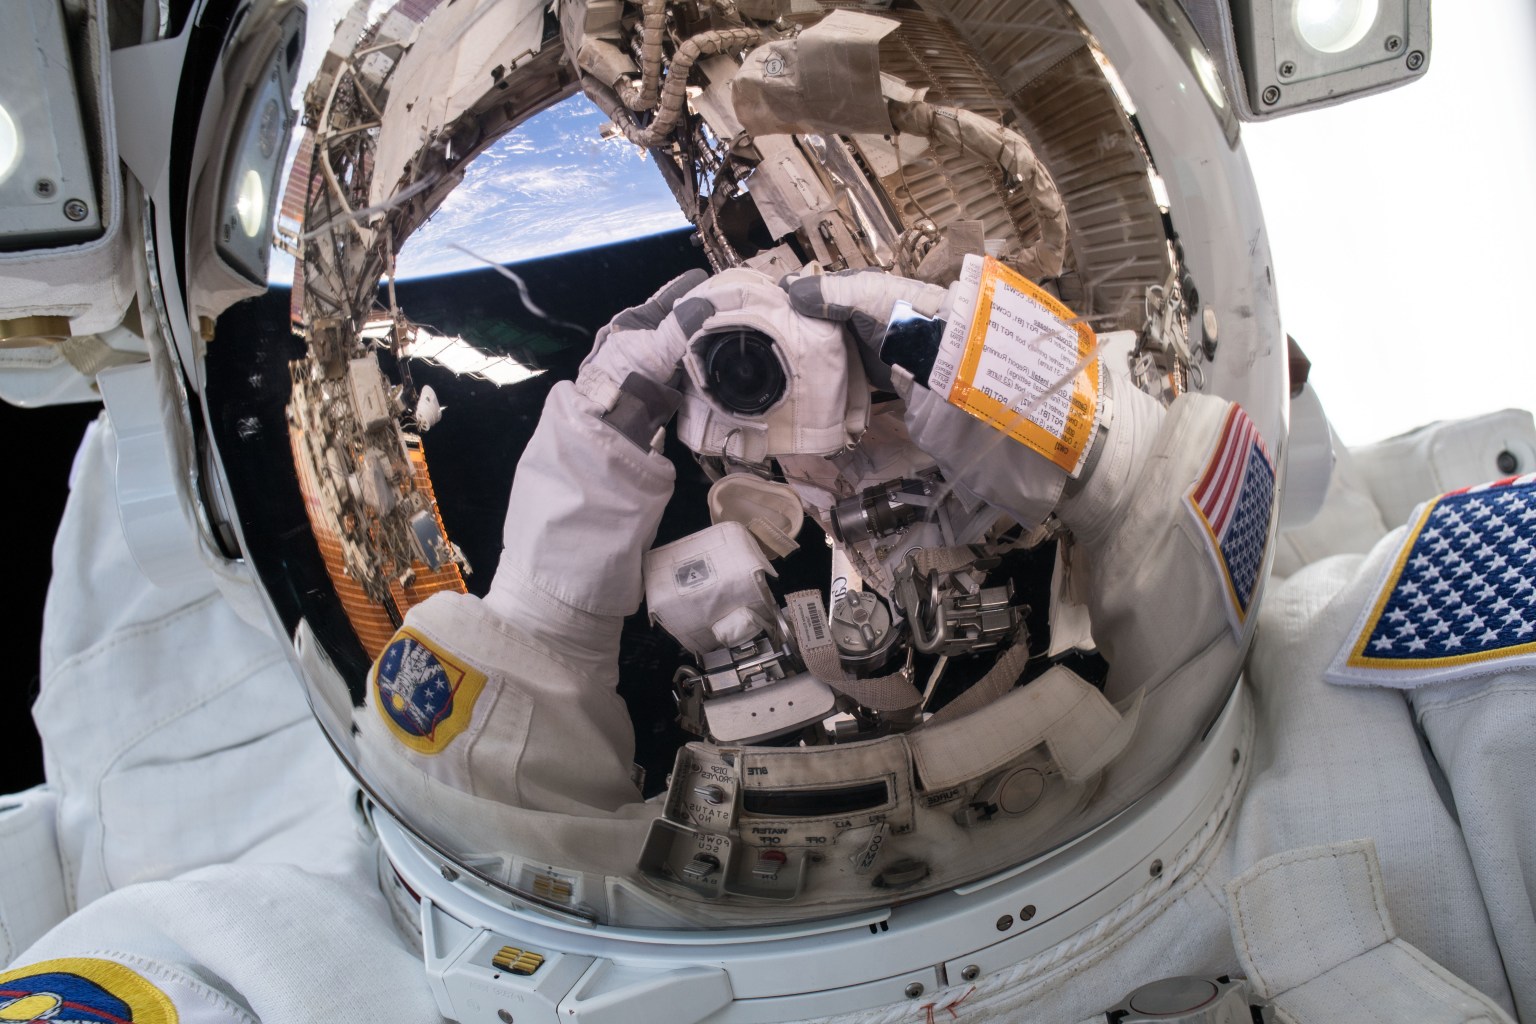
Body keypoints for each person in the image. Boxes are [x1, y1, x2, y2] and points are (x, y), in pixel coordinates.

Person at [3, 259, 1532, 1021]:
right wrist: (605, 437)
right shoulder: (259, 973)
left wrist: (939, 346)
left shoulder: (1423, 709)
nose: (771, 388)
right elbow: (526, 750)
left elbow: (1160, 531)